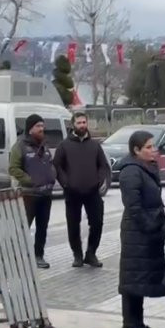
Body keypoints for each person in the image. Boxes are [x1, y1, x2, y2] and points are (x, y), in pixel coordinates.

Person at [116, 131, 165, 328]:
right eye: (148, 147)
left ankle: (138, 322)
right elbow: (133, 206)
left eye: (153, 146)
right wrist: (149, 226)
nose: (153, 150)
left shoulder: (147, 168)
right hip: (137, 233)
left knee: (141, 279)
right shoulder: (131, 171)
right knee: (133, 280)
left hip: (149, 232)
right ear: (136, 150)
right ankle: (129, 325)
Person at [54, 112, 110, 268]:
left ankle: (91, 253)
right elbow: (57, 166)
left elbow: (103, 165)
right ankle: (77, 255)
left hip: (92, 192)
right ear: (73, 125)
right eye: (79, 123)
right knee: (73, 224)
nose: (82, 125)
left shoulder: (94, 145)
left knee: (97, 222)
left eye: (84, 122)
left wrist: (99, 181)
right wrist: (66, 183)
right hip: (72, 193)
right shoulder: (64, 145)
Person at [8, 114, 57, 269]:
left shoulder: (44, 145)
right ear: (30, 129)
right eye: (38, 126)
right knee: (24, 227)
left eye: (42, 125)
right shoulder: (20, 147)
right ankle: (17, 256)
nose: (41, 129)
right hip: (28, 195)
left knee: (42, 227)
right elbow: (13, 168)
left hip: (45, 195)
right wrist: (30, 180)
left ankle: (38, 255)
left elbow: (49, 163)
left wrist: (51, 176)